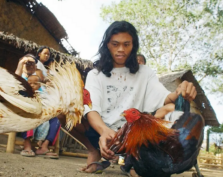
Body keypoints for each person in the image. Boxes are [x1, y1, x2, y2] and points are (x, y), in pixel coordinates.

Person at [58, 21, 196, 176]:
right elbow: (91, 108)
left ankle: (137, 160)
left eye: (126, 44)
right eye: (115, 44)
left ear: (133, 46)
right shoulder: (95, 74)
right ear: (107, 45)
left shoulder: (145, 72)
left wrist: (179, 92)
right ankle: (94, 151)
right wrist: (104, 131)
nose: (121, 49)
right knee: (63, 109)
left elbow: (165, 98)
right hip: (101, 130)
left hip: (133, 135)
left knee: (174, 110)